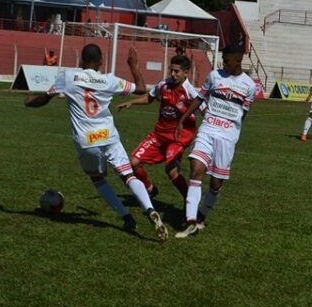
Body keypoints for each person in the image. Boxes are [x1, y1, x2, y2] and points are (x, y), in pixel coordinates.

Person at [24, 44, 168, 241]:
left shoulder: (68, 77)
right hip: (109, 136)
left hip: (87, 140)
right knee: (127, 175)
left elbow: (44, 99)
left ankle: (126, 216)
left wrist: (29, 101)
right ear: (101, 61)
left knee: (98, 179)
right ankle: (150, 209)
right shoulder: (109, 80)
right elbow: (141, 88)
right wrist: (133, 65)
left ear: (81, 60)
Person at [173, 45, 256, 238]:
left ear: (238, 61)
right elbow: (200, 99)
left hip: (227, 138)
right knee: (196, 168)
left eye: (227, 60)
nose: (223, 63)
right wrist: (183, 119)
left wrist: (230, 127)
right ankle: (191, 220)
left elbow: (243, 114)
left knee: (216, 184)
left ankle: (201, 215)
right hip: (208, 130)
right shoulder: (214, 76)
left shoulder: (249, 86)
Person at [117, 55, 197, 201]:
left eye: (177, 71)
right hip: (159, 133)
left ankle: (190, 202)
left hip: (178, 136)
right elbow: (150, 97)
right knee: (134, 163)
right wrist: (132, 102)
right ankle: (150, 189)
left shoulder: (191, 93)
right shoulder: (164, 84)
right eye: (171, 70)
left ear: (186, 72)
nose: (173, 74)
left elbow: (203, 110)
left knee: (171, 170)